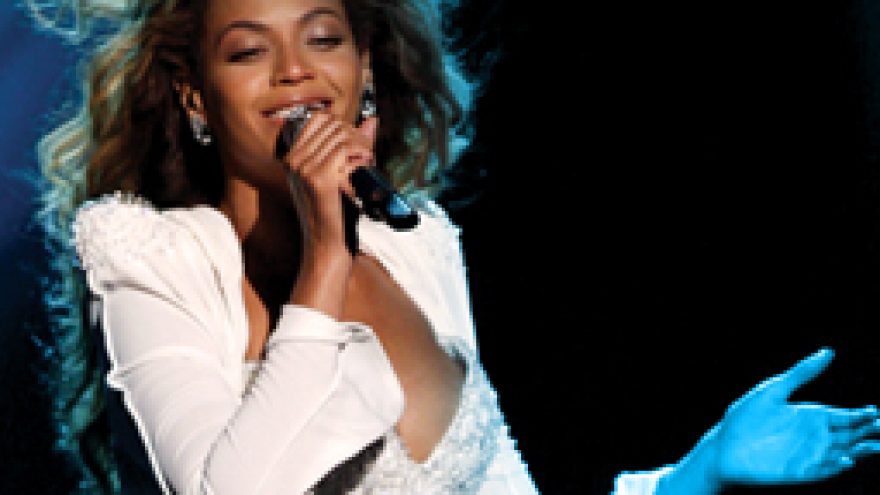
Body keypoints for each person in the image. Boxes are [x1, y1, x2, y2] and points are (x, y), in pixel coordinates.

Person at [26, 0, 880, 494]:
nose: (295, 69)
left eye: (323, 38)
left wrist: (694, 474)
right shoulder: (149, 256)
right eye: (250, 50)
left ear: (364, 69)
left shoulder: (418, 245)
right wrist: (325, 262)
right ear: (196, 97)